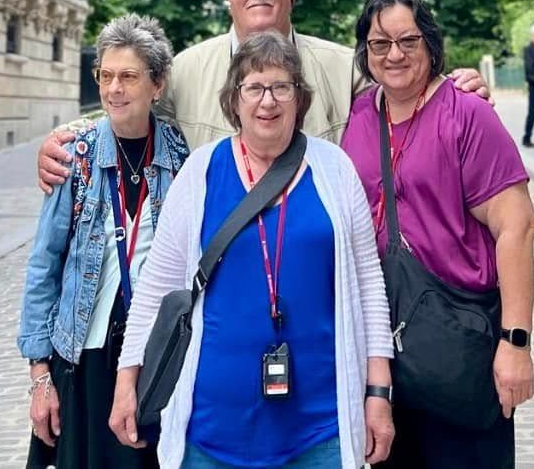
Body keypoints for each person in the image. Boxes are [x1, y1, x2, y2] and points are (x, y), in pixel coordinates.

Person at [110, 32, 395, 469]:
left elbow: (369, 287)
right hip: (210, 430)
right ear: (234, 98)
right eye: (255, 87)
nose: (268, 101)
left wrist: (378, 393)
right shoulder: (200, 172)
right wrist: (127, 381)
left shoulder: (334, 170)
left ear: (299, 98)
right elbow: (157, 289)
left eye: (281, 87)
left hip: (321, 428)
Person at [38, 0, 489, 187]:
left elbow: (404, 88)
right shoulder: (187, 69)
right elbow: (126, 105)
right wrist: (69, 139)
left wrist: (451, 88)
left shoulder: (341, 66)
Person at [342, 0, 534, 469]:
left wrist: (515, 344)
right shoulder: (360, 114)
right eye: (379, 44)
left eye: (407, 40)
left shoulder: (467, 113)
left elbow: (518, 228)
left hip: (459, 342)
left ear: (430, 43)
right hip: (383, 348)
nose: (394, 54)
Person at [19, 15, 189, 469]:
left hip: (152, 357)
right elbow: (44, 266)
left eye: (129, 76)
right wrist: (40, 377)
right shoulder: (75, 157)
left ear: (157, 84)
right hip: (84, 357)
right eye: (106, 76)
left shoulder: (182, 158)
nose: (115, 89)